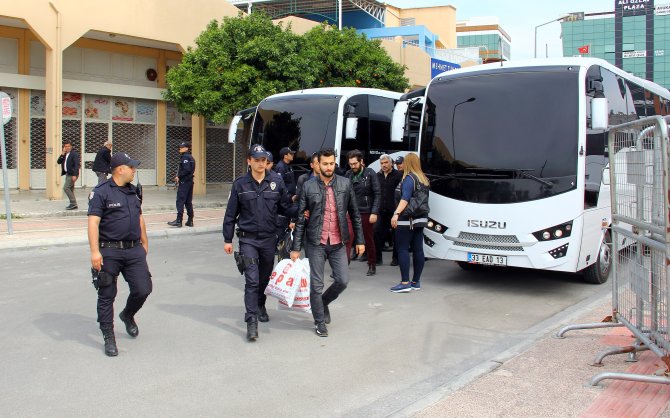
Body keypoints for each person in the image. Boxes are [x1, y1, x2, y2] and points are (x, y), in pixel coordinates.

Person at [223, 144, 296, 341]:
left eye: (263, 160)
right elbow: (231, 213)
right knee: (252, 281)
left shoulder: (276, 181)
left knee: (264, 280)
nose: (261, 163)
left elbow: (286, 206)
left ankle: (261, 304)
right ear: (249, 161)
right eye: (256, 160)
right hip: (247, 240)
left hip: (268, 239)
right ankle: (251, 321)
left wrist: (301, 211)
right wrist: (227, 239)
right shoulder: (240, 184)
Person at [290, 149, 365, 337]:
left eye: (332, 163)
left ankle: (323, 303)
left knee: (343, 280)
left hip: (338, 242)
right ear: (318, 165)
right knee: (316, 285)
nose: (329, 167)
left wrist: (360, 240)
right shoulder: (308, 186)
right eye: (325, 164)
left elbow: (355, 214)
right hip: (316, 242)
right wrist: (295, 248)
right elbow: (300, 219)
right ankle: (319, 322)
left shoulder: (345, 184)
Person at [87, 152, 151, 357]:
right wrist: (95, 251)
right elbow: (93, 222)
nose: (134, 170)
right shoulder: (101, 192)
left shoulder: (134, 191)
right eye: (131, 167)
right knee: (107, 295)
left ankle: (127, 315)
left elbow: (140, 217)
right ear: (120, 169)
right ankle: (108, 336)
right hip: (109, 250)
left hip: (134, 250)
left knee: (143, 289)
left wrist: (145, 243)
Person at [390, 153, 429, 293]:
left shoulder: (408, 178)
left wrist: (396, 214)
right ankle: (416, 282)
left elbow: (405, 198)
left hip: (407, 219)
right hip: (421, 219)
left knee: (402, 249)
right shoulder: (423, 179)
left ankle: (405, 282)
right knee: (418, 250)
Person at [345, 150, 381, 276]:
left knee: (368, 238)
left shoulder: (370, 173)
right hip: (351, 211)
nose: (353, 166)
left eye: (355, 163)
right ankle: (343, 267)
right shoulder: (348, 174)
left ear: (361, 162)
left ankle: (372, 264)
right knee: (348, 238)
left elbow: (377, 193)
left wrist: (374, 212)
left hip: (366, 211)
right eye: (350, 164)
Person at [375, 154, 402, 267]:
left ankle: (396, 258)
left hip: (394, 211)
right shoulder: (377, 176)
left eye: (386, 163)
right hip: (381, 210)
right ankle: (378, 258)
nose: (384, 165)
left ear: (391, 163)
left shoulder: (398, 175)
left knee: (397, 236)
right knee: (376, 232)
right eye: (382, 163)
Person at [168, 142, 195, 227]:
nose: (180, 148)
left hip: (185, 182)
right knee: (188, 202)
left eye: (182, 147)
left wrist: (178, 176)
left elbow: (187, 170)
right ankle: (190, 220)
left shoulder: (185, 157)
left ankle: (179, 221)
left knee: (180, 201)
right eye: (180, 147)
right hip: (190, 182)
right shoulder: (191, 157)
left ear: (187, 148)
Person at [57, 140, 80, 210]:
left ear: (71, 147)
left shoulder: (74, 154)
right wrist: (62, 153)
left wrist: (75, 175)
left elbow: (77, 165)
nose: (67, 148)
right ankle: (73, 204)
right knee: (70, 189)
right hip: (68, 174)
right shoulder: (65, 154)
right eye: (65, 146)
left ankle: (73, 203)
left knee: (66, 188)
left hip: (72, 174)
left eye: (68, 146)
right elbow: (58, 162)